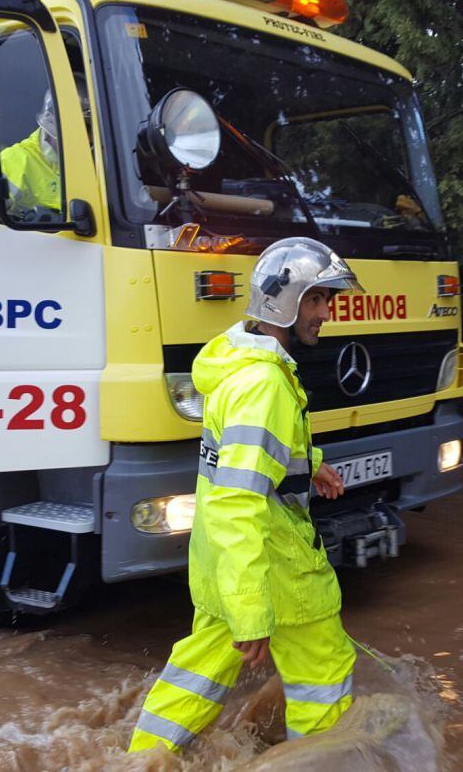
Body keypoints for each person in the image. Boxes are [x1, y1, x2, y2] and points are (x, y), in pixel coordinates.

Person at [128, 237, 366, 754]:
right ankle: (321, 768)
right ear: (284, 301)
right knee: (322, 674)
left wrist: (314, 467)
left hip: (224, 564)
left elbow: (245, 459)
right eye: (317, 299)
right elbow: (240, 502)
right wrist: (254, 612)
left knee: (195, 677)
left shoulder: (240, 363)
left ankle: (141, 761)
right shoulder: (265, 385)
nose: (326, 313)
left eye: (327, 300)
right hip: (275, 567)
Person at [0, 76, 91, 222]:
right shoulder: (12, 163)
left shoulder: (101, 164)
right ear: (55, 121)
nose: (91, 139)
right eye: (86, 128)